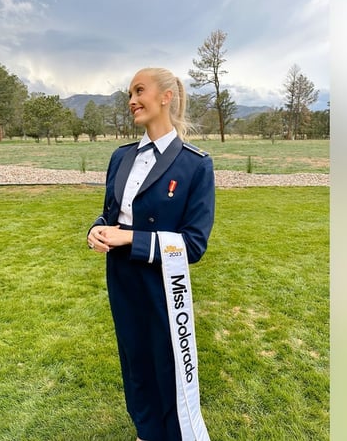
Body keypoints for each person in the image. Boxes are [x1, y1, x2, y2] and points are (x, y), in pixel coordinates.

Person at [87, 67, 215, 441]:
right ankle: (145, 431)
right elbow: (111, 212)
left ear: (166, 96)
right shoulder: (121, 157)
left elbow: (193, 244)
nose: (131, 100)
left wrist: (130, 239)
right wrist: (96, 229)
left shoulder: (195, 164)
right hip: (121, 277)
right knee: (135, 360)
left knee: (168, 365)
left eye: (139, 90)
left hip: (162, 280)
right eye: (129, 92)